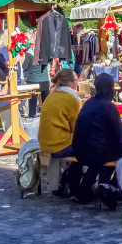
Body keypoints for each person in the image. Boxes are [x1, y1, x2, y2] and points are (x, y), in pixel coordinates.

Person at [66, 72, 122, 205]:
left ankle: (92, 189)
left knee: (103, 154)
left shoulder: (88, 103)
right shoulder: (109, 107)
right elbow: (120, 136)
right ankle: (109, 186)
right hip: (97, 152)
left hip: (80, 150)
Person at [40, 70, 82, 199]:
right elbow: (76, 129)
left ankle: (59, 185)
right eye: (76, 80)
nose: (78, 83)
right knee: (88, 151)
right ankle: (77, 187)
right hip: (59, 144)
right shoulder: (72, 98)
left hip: (45, 142)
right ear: (70, 83)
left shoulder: (51, 96)